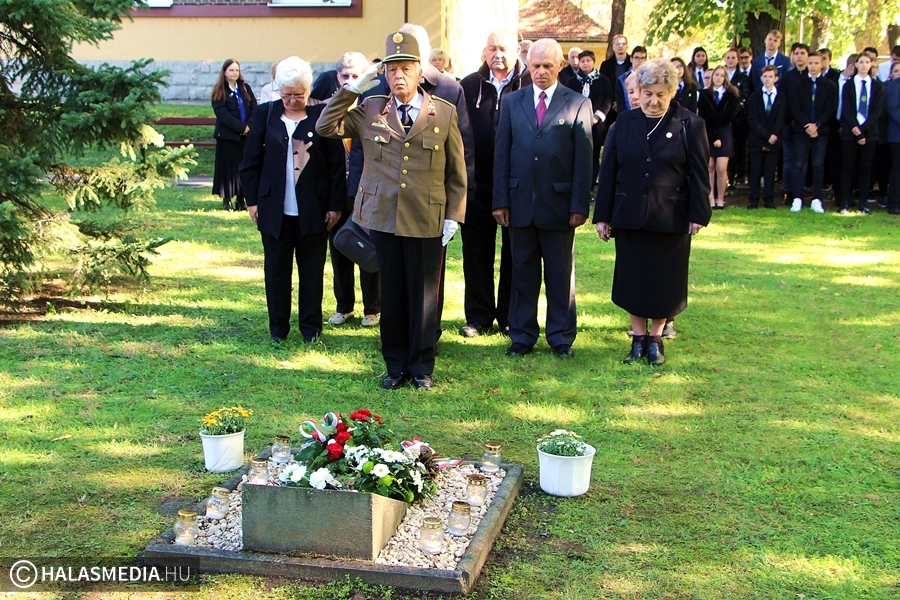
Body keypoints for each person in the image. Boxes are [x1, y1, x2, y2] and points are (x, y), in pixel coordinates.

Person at [316, 31, 467, 390]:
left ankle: (421, 367)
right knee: (394, 295)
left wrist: (454, 215)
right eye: (391, 69)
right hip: (384, 215)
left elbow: (457, 171)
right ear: (383, 73)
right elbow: (325, 126)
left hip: (427, 216)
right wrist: (353, 89)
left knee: (425, 297)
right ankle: (395, 366)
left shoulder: (442, 113)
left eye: (406, 68)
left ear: (420, 72)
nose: (398, 75)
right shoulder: (369, 109)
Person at [594, 59, 712, 365]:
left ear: (672, 92)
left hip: (671, 217)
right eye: (647, 93)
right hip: (630, 214)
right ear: (638, 91)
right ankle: (637, 337)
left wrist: (698, 213)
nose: (653, 101)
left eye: (660, 94)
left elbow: (699, 174)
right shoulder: (623, 124)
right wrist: (603, 216)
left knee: (664, 280)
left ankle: (656, 338)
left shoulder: (690, 124)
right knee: (633, 278)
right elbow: (608, 173)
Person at [493, 38, 593, 359]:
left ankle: (561, 336)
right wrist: (500, 201)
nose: (540, 72)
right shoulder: (512, 102)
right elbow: (502, 155)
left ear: (560, 66)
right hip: (519, 203)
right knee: (522, 272)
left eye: (547, 66)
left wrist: (579, 204)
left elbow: (585, 160)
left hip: (560, 206)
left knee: (559, 273)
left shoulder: (577, 103)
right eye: (535, 65)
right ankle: (521, 335)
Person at [239, 56, 346, 344]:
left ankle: (310, 328)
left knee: (311, 271)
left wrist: (335, 205)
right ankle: (278, 329)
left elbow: (337, 164)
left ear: (308, 91)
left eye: (298, 94)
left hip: (314, 209)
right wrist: (252, 202)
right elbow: (250, 162)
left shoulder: (321, 114)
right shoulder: (265, 114)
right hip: (273, 209)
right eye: (286, 94)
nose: (292, 100)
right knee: (276, 271)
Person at [458, 29, 530, 338]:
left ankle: (510, 316)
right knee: (476, 253)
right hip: (477, 183)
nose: (497, 54)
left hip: (516, 185)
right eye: (492, 48)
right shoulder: (469, 85)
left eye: (503, 48)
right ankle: (478, 316)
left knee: (515, 252)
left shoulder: (528, 84)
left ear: (517, 50)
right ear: (484, 52)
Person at [324, 53, 382, 330]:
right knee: (340, 251)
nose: (350, 81)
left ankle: (372, 308)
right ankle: (343, 305)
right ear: (338, 78)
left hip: (367, 194)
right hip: (338, 194)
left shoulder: (374, 107)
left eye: (356, 76)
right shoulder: (333, 108)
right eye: (345, 76)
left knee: (368, 249)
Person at [788, 51, 836, 213]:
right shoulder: (799, 84)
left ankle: (816, 199)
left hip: (821, 131)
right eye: (811, 63)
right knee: (798, 164)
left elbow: (830, 108)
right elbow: (795, 108)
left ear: (821, 64)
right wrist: (807, 125)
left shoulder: (828, 85)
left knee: (818, 165)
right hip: (802, 131)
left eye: (816, 63)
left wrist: (817, 125)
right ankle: (797, 198)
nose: (813, 66)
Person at [839, 52, 885, 214]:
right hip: (851, 133)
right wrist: (856, 130)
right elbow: (847, 109)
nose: (864, 65)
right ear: (856, 65)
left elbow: (876, 112)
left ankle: (863, 203)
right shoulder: (848, 85)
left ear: (871, 64)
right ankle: (845, 201)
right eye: (861, 62)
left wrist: (863, 129)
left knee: (866, 168)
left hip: (869, 134)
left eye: (867, 62)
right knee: (848, 167)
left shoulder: (877, 86)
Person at [211, 59, 257, 211]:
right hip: (227, 137)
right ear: (224, 72)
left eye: (237, 70)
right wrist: (241, 127)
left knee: (243, 169)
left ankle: (241, 199)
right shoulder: (219, 90)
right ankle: (227, 200)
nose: (234, 73)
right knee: (228, 170)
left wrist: (249, 126)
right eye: (231, 70)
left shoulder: (244, 88)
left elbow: (254, 108)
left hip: (245, 137)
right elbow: (223, 115)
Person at [566, 49, 613, 187]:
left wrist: (596, 117)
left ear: (593, 62)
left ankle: (590, 186)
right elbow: (568, 100)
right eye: (582, 61)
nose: (585, 64)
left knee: (593, 156)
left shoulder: (604, 81)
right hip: (576, 123)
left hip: (596, 125)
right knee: (575, 154)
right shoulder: (572, 81)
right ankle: (575, 184)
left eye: (588, 61)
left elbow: (608, 100)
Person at [699, 66, 739, 209]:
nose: (718, 78)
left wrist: (718, 134)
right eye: (716, 74)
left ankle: (721, 199)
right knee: (709, 166)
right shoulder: (704, 94)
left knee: (721, 168)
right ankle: (710, 199)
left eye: (722, 75)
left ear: (725, 78)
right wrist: (714, 135)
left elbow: (728, 116)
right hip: (708, 133)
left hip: (725, 133)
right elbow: (704, 116)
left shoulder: (732, 95)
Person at [746, 66, 786, 209]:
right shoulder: (755, 97)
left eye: (770, 76)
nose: (767, 79)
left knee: (770, 170)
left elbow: (780, 119)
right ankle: (753, 199)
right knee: (755, 170)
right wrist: (766, 136)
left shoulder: (781, 97)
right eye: (765, 76)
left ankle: (769, 200)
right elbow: (752, 119)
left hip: (774, 140)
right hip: (757, 140)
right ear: (761, 78)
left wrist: (772, 137)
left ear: (776, 78)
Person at [726, 48, 752, 188]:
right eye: (728, 57)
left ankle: (740, 175)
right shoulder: (721, 75)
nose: (730, 60)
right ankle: (728, 175)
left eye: (733, 57)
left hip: (739, 118)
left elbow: (745, 96)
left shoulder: (743, 77)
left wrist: (735, 110)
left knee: (740, 147)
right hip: (724, 119)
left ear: (737, 60)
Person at [599, 35, 631, 124]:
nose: (620, 46)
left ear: (627, 46)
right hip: (610, 106)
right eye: (617, 44)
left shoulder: (632, 64)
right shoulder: (606, 65)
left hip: (628, 104)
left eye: (623, 44)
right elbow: (603, 87)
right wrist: (614, 102)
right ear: (613, 47)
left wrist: (620, 103)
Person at [886, 62, 900, 214]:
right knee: (897, 169)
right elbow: (892, 108)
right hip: (897, 135)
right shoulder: (895, 85)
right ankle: (894, 203)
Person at [615, 46, 647, 112]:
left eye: (642, 58)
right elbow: (621, 105)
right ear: (631, 59)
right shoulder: (622, 79)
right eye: (636, 57)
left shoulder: (650, 78)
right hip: (628, 115)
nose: (639, 60)